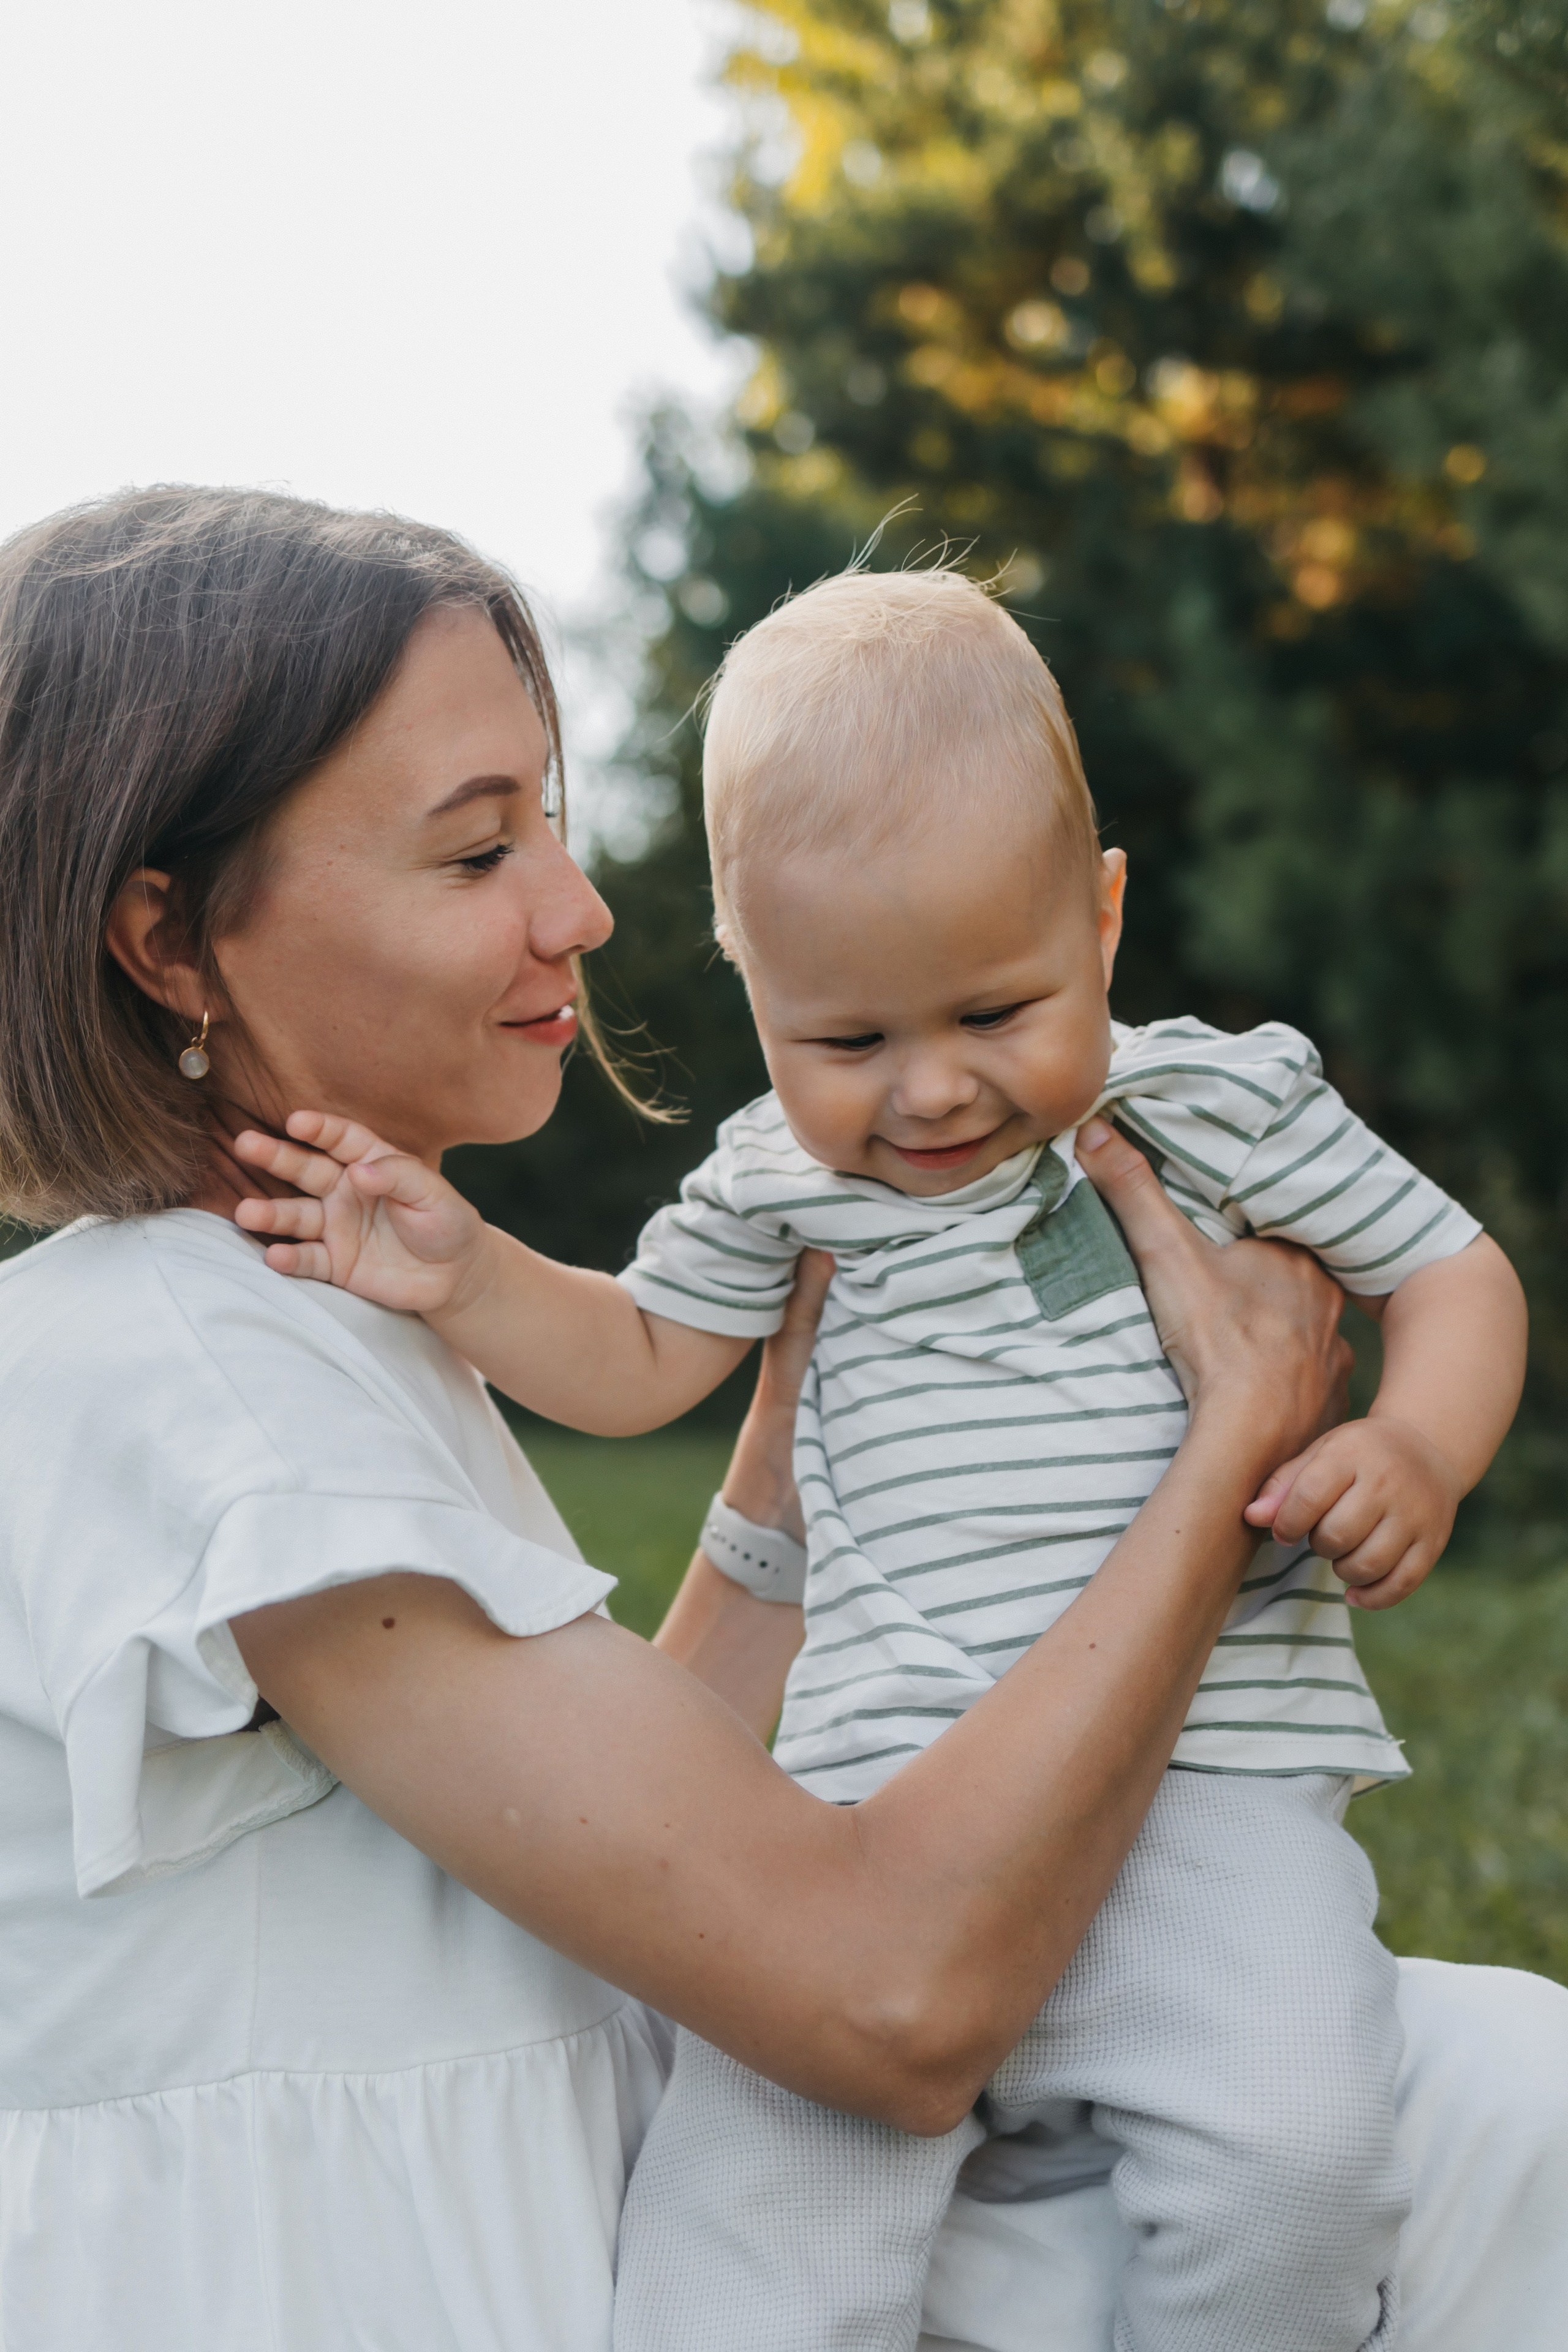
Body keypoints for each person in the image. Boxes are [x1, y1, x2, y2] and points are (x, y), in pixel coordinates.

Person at [0, 492, 1558, 2352]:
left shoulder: (285, 1319)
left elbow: (633, 1853)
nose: (578, 909)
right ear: (169, 943)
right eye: (480, 848)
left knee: (1446, 2099)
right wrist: (1235, 1448)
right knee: (1499, 2118)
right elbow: (882, 1998)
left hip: (661, 2150)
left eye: (553, 824)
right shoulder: (194, 1367)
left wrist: (785, 1457)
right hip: (409, 2278)